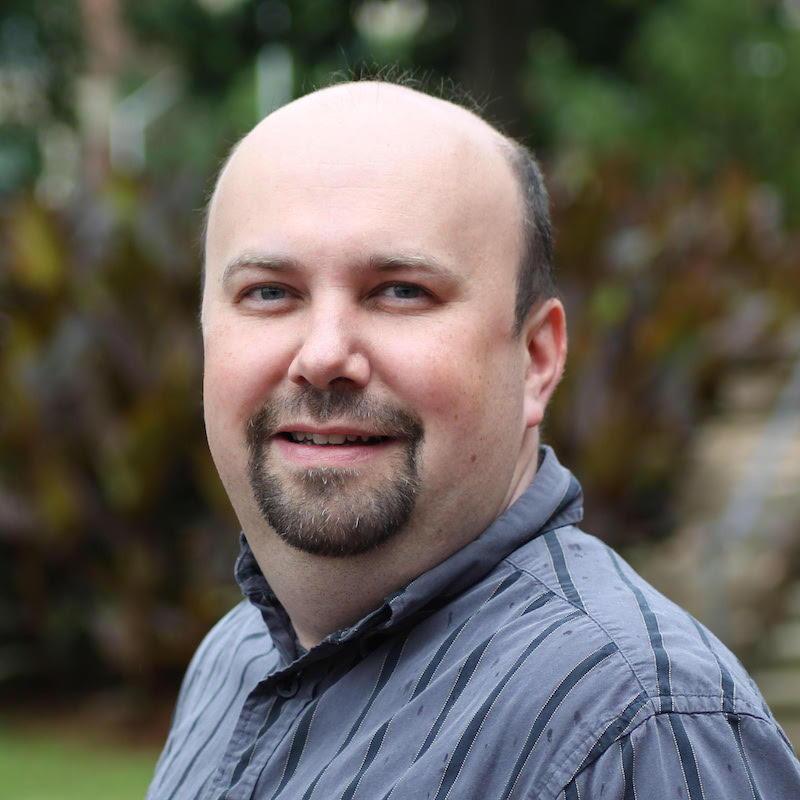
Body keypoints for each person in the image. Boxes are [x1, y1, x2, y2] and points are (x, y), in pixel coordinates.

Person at [146, 80, 800, 800]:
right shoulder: (233, 658)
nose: (323, 354)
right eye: (269, 292)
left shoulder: (640, 730)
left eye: (401, 290)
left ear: (538, 359)